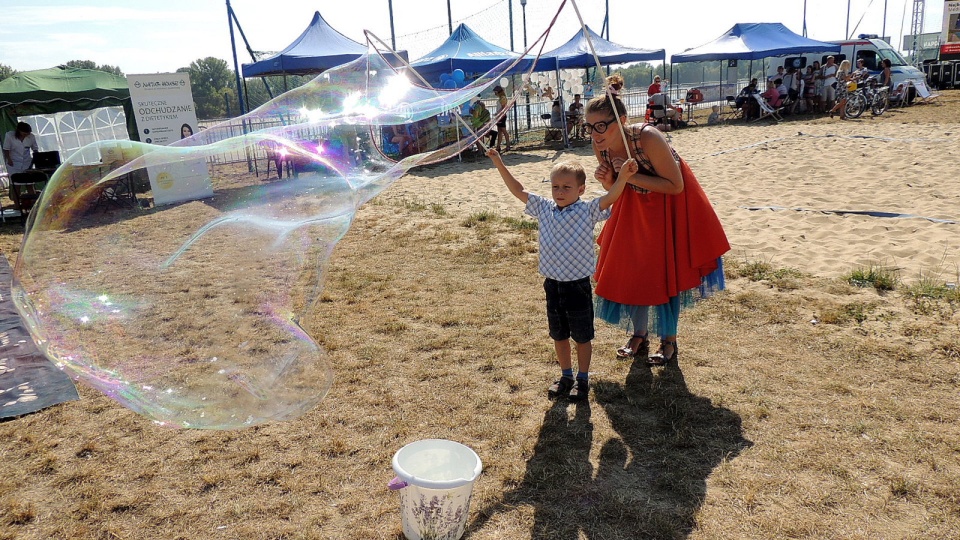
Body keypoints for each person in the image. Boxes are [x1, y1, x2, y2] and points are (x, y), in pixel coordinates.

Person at [585, 94, 729, 366]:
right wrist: (610, 182)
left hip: (668, 208)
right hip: (632, 208)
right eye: (589, 127)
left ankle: (669, 340)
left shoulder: (648, 137)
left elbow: (676, 186)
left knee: (665, 274)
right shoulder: (600, 146)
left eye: (600, 126)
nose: (594, 134)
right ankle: (638, 335)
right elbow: (615, 189)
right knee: (634, 270)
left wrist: (630, 176)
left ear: (622, 121)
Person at [485, 148, 632, 401]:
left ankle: (583, 378)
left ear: (581, 190)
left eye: (566, 187)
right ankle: (566, 375)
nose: (560, 192)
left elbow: (610, 197)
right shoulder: (544, 208)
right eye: (555, 187)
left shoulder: (588, 210)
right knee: (559, 334)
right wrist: (499, 162)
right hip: (552, 284)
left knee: (582, 336)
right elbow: (518, 190)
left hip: (578, 286)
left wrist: (624, 178)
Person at [492, 85, 511, 152]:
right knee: (500, 131)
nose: (495, 94)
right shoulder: (501, 98)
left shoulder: (503, 98)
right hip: (499, 116)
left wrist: (498, 114)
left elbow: (503, 108)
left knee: (503, 131)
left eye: (495, 92)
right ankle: (498, 146)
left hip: (501, 116)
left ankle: (508, 145)